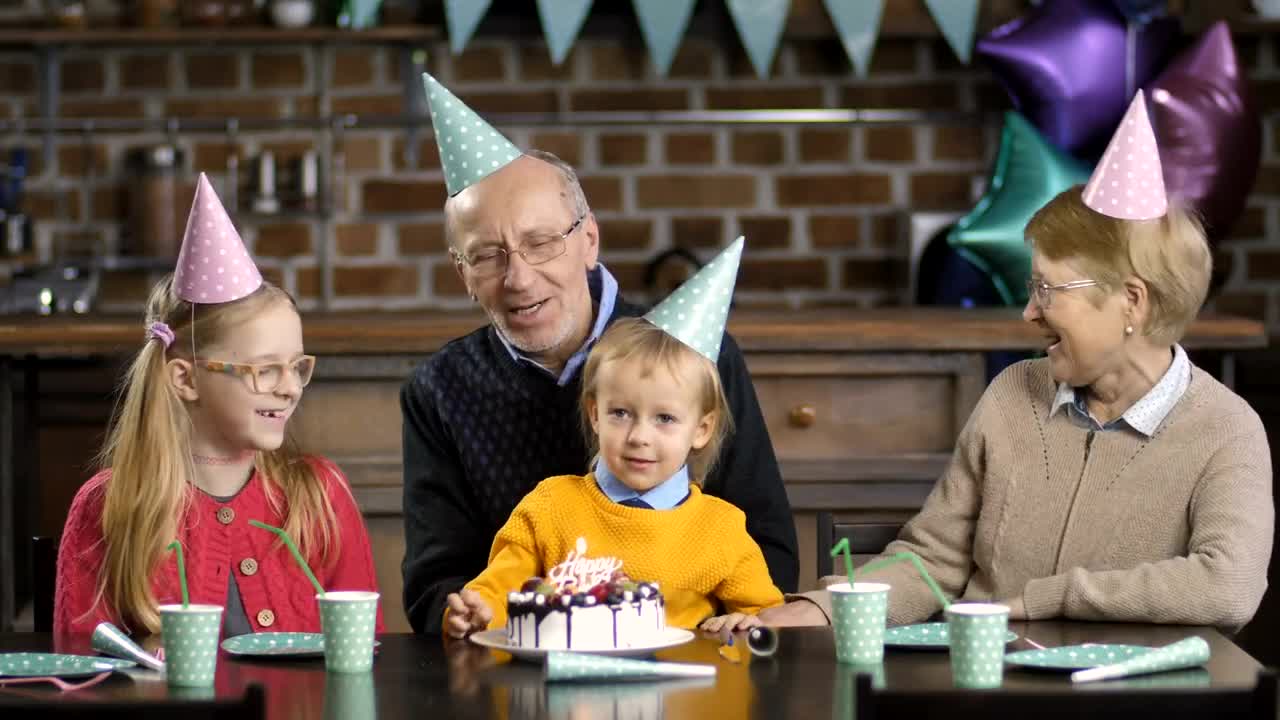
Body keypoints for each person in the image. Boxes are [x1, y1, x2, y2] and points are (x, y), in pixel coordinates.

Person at [768, 91, 1273, 631]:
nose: (1029, 312)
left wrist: (1048, 599)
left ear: (1132, 300)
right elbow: (933, 560)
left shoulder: (1225, 429)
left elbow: (1228, 586)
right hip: (989, 688)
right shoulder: (1013, 392)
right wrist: (818, 607)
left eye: (1048, 290)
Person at [402, 74, 798, 635]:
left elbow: (769, 558)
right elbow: (434, 584)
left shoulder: (692, 356)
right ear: (461, 272)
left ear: (589, 239)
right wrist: (466, 615)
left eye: (540, 242)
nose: (518, 278)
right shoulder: (437, 389)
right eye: (487, 256)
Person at [55, 174, 383, 636]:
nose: (291, 388)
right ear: (186, 379)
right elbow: (81, 672)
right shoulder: (110, 507)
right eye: (265, 369)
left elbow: (362, 650)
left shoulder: (320, 496)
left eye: (298, 366)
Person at [445, 240, 784, 637]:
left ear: (701, 429)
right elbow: (498, 590)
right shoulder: (550, 507)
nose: (640, 436)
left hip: (681, 694)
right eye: (621, 413)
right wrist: (476, 610)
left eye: (665, 418)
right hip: (564, 690)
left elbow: (766, 615)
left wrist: (749, 623)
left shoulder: (720, 531)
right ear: (594, 415)